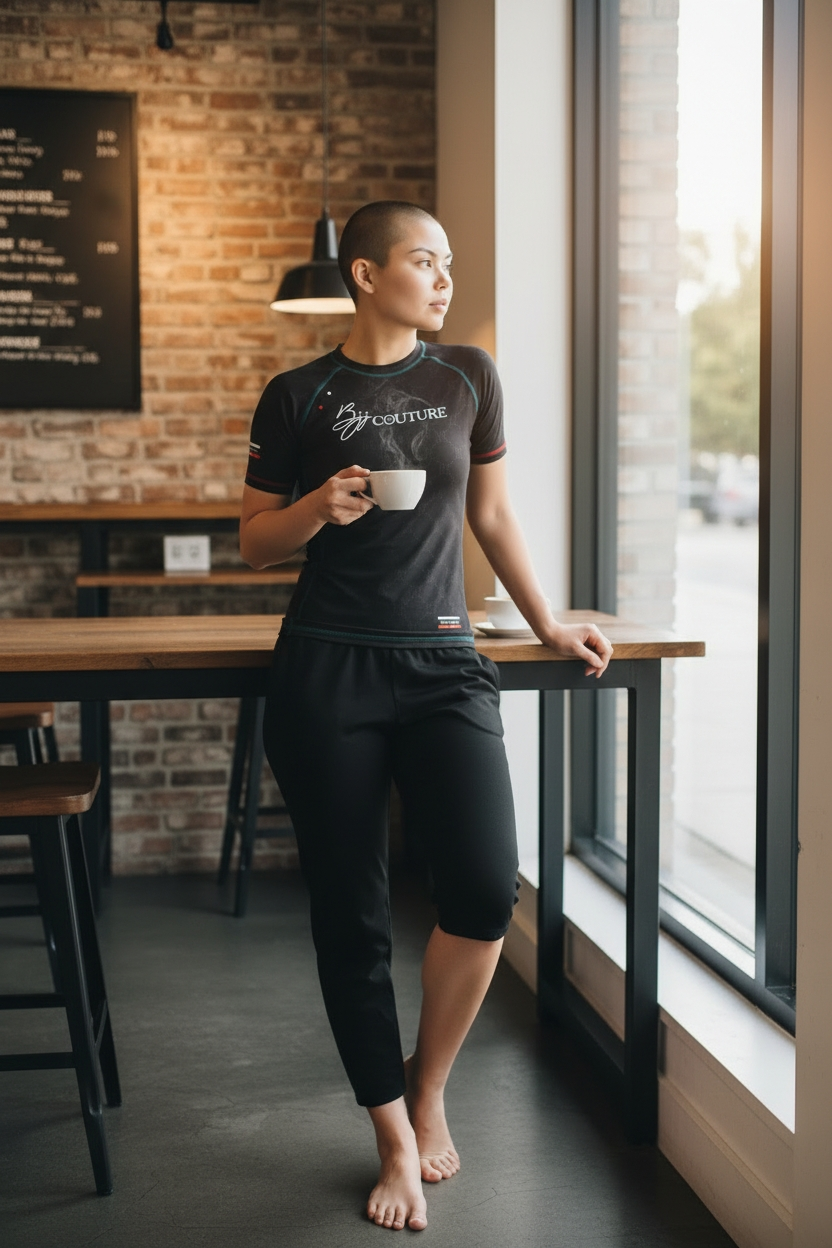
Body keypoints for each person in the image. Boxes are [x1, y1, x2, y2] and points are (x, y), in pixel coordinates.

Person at [240, 201, 612, 1232]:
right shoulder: (298, 393)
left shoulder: (466, 378)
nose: (443, 280)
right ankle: (394, 1135)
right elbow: (255, 542)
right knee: (350, 917)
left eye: (447, 264)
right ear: (365, 274)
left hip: (444, 659)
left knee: (487, 889)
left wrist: (547, 623)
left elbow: (490, 514)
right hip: (327, 669)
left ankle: (430, 1079)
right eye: (423, 261)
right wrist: (319, 506)